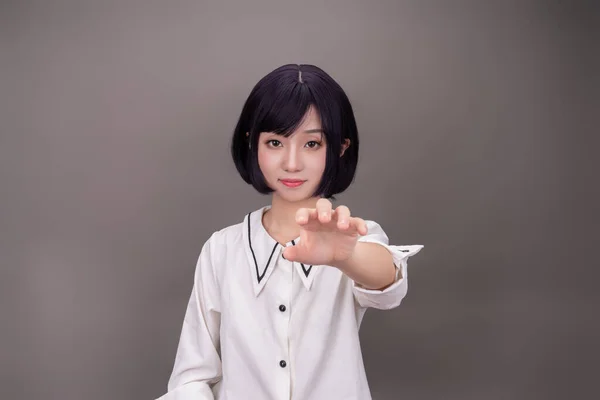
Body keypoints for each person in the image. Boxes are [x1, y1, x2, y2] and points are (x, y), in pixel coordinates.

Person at [157, 64, 424, 400]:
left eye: (311, 144)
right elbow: (192, 378)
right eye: (274, 142)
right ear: (252, 144)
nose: (292, 163)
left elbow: (388, 282)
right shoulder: (222, 249)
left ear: (340, 148)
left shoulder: (351, 234)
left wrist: (346, 256)